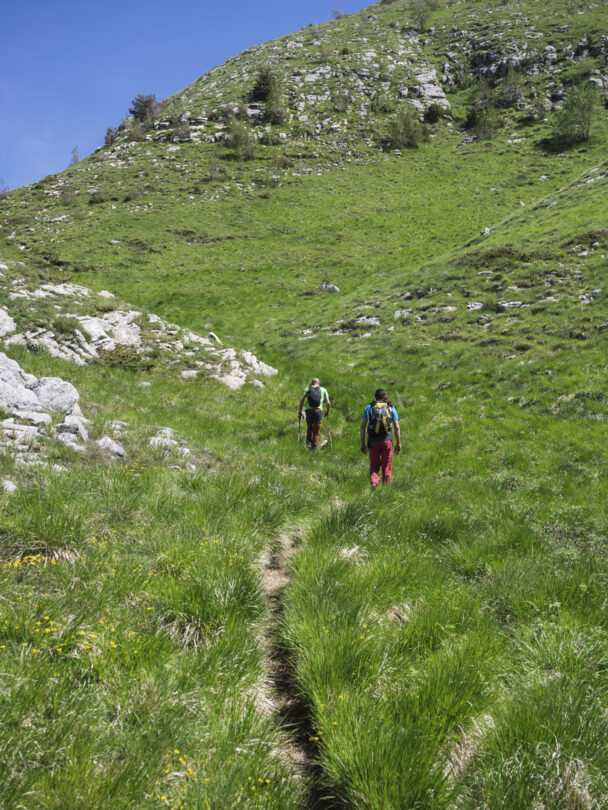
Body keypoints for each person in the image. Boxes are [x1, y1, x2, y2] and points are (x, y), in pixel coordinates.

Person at [360, 388, 401, 486]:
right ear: (385, 397)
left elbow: (363, 427)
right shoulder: (391, 408)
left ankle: (374, 481)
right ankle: (385, 489)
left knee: (374, 465)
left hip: (373, 441)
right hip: (386, 441)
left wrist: (362, 443)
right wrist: (398, 443)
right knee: (386, 466)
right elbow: (397, 427)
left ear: (375, 397)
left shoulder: (369, 407)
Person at [298, 378, 331, 450]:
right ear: (319, 383)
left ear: (312, 383)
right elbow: (328, 403)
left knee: (309, 427)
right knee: (316, 430)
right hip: (318, 411)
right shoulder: (323, 389)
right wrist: (327, 411)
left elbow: (302, 399)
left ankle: (308, 443)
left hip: (309, 411)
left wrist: (300, 411)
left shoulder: (308, 388)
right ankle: (314, 448)